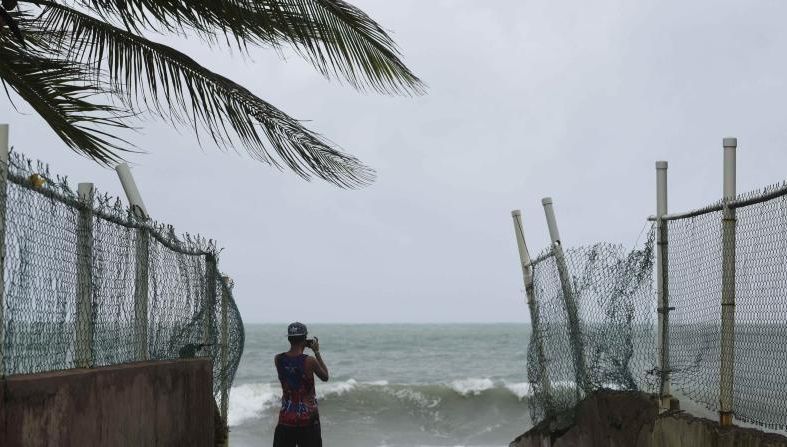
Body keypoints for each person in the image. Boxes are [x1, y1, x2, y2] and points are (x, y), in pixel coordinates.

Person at [273, 322, 329, 447]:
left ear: (288, 339)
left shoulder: (278, 359)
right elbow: (325, 376)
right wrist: (317, 352)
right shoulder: (310, 361)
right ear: (305, 339)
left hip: (285, 420)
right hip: (308, 421)